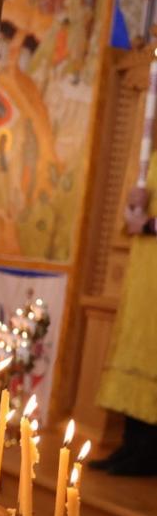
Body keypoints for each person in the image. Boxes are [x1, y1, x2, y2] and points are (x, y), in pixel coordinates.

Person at [94, 171, 157, 476]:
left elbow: (144, 225)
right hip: (144, 273)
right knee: (134, 352)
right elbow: (131, 224)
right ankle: (130, 445)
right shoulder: (154, 161)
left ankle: (148, 452)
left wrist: (147, 224)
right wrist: (133, 208)